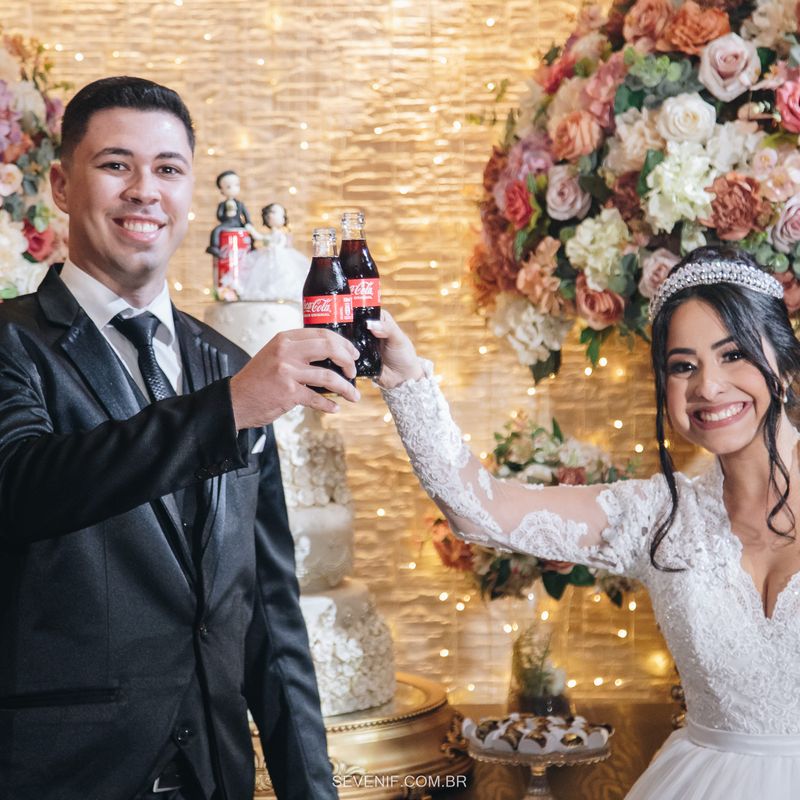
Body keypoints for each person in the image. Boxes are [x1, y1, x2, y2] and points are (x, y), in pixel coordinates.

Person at [0, 76, 359, 800]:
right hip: (61, 777)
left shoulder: (226, 362)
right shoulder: (13, 341)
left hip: (214, 775)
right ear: (63, 185)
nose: (145, 190)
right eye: (115, 165)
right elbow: (22, 487)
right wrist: (225, 410)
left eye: (168, 169)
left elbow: (268, 614)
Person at [370, 245, 800, 799]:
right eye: (683, 365)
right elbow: (479, 509)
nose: (707, 387)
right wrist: (406, 382)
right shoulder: (655, 517)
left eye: (734, 354)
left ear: (785, 366)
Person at [239, 203, 308, 303]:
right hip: (268, 256)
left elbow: (280, 243)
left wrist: (273, 247)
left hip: (278, 256)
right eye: (272, 212)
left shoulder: (281, 234)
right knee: (262, 277)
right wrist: (252, 230)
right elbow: (261, 238)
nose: (271, 215)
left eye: (277, 213)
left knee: (282, 275)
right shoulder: (271, 234)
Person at [206, 170, 262, 257]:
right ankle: (215, 247)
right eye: (228, 187)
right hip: (227, 223)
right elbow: (219, 216)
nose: (233, 188)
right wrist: (226, 216)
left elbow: (246, 215)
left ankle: (252, 247)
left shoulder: (240, 204)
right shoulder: (222, 205)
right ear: (222, 190)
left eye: (236, 185)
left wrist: (248, 223)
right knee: (216, 230)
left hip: (238, 222)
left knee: (249, 232)